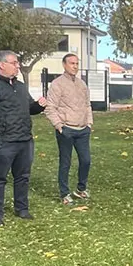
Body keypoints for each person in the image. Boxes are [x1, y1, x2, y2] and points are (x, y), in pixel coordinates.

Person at [0, 50, 47, 227]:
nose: (18, 66)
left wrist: (38, 106)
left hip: (25, 140)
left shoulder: (21, 86)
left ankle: (22, 209)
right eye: (14, 63)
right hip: (5, 143)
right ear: (2, 65)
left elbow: (29, 109)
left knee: (23, 176)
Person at [44, 53, 93, 205]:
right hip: (66, 130)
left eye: (77, 63)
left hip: (83, 129)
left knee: (86, 160)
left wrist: (89, 123)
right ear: (64, 65)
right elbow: (50, 107)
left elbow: (87, 105)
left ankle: (80, 189)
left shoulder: (82, 84)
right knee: (65, 162)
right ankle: (64, 193)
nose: (75, 66)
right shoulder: (57, 84)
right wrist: (59, 126)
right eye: (72, 63)